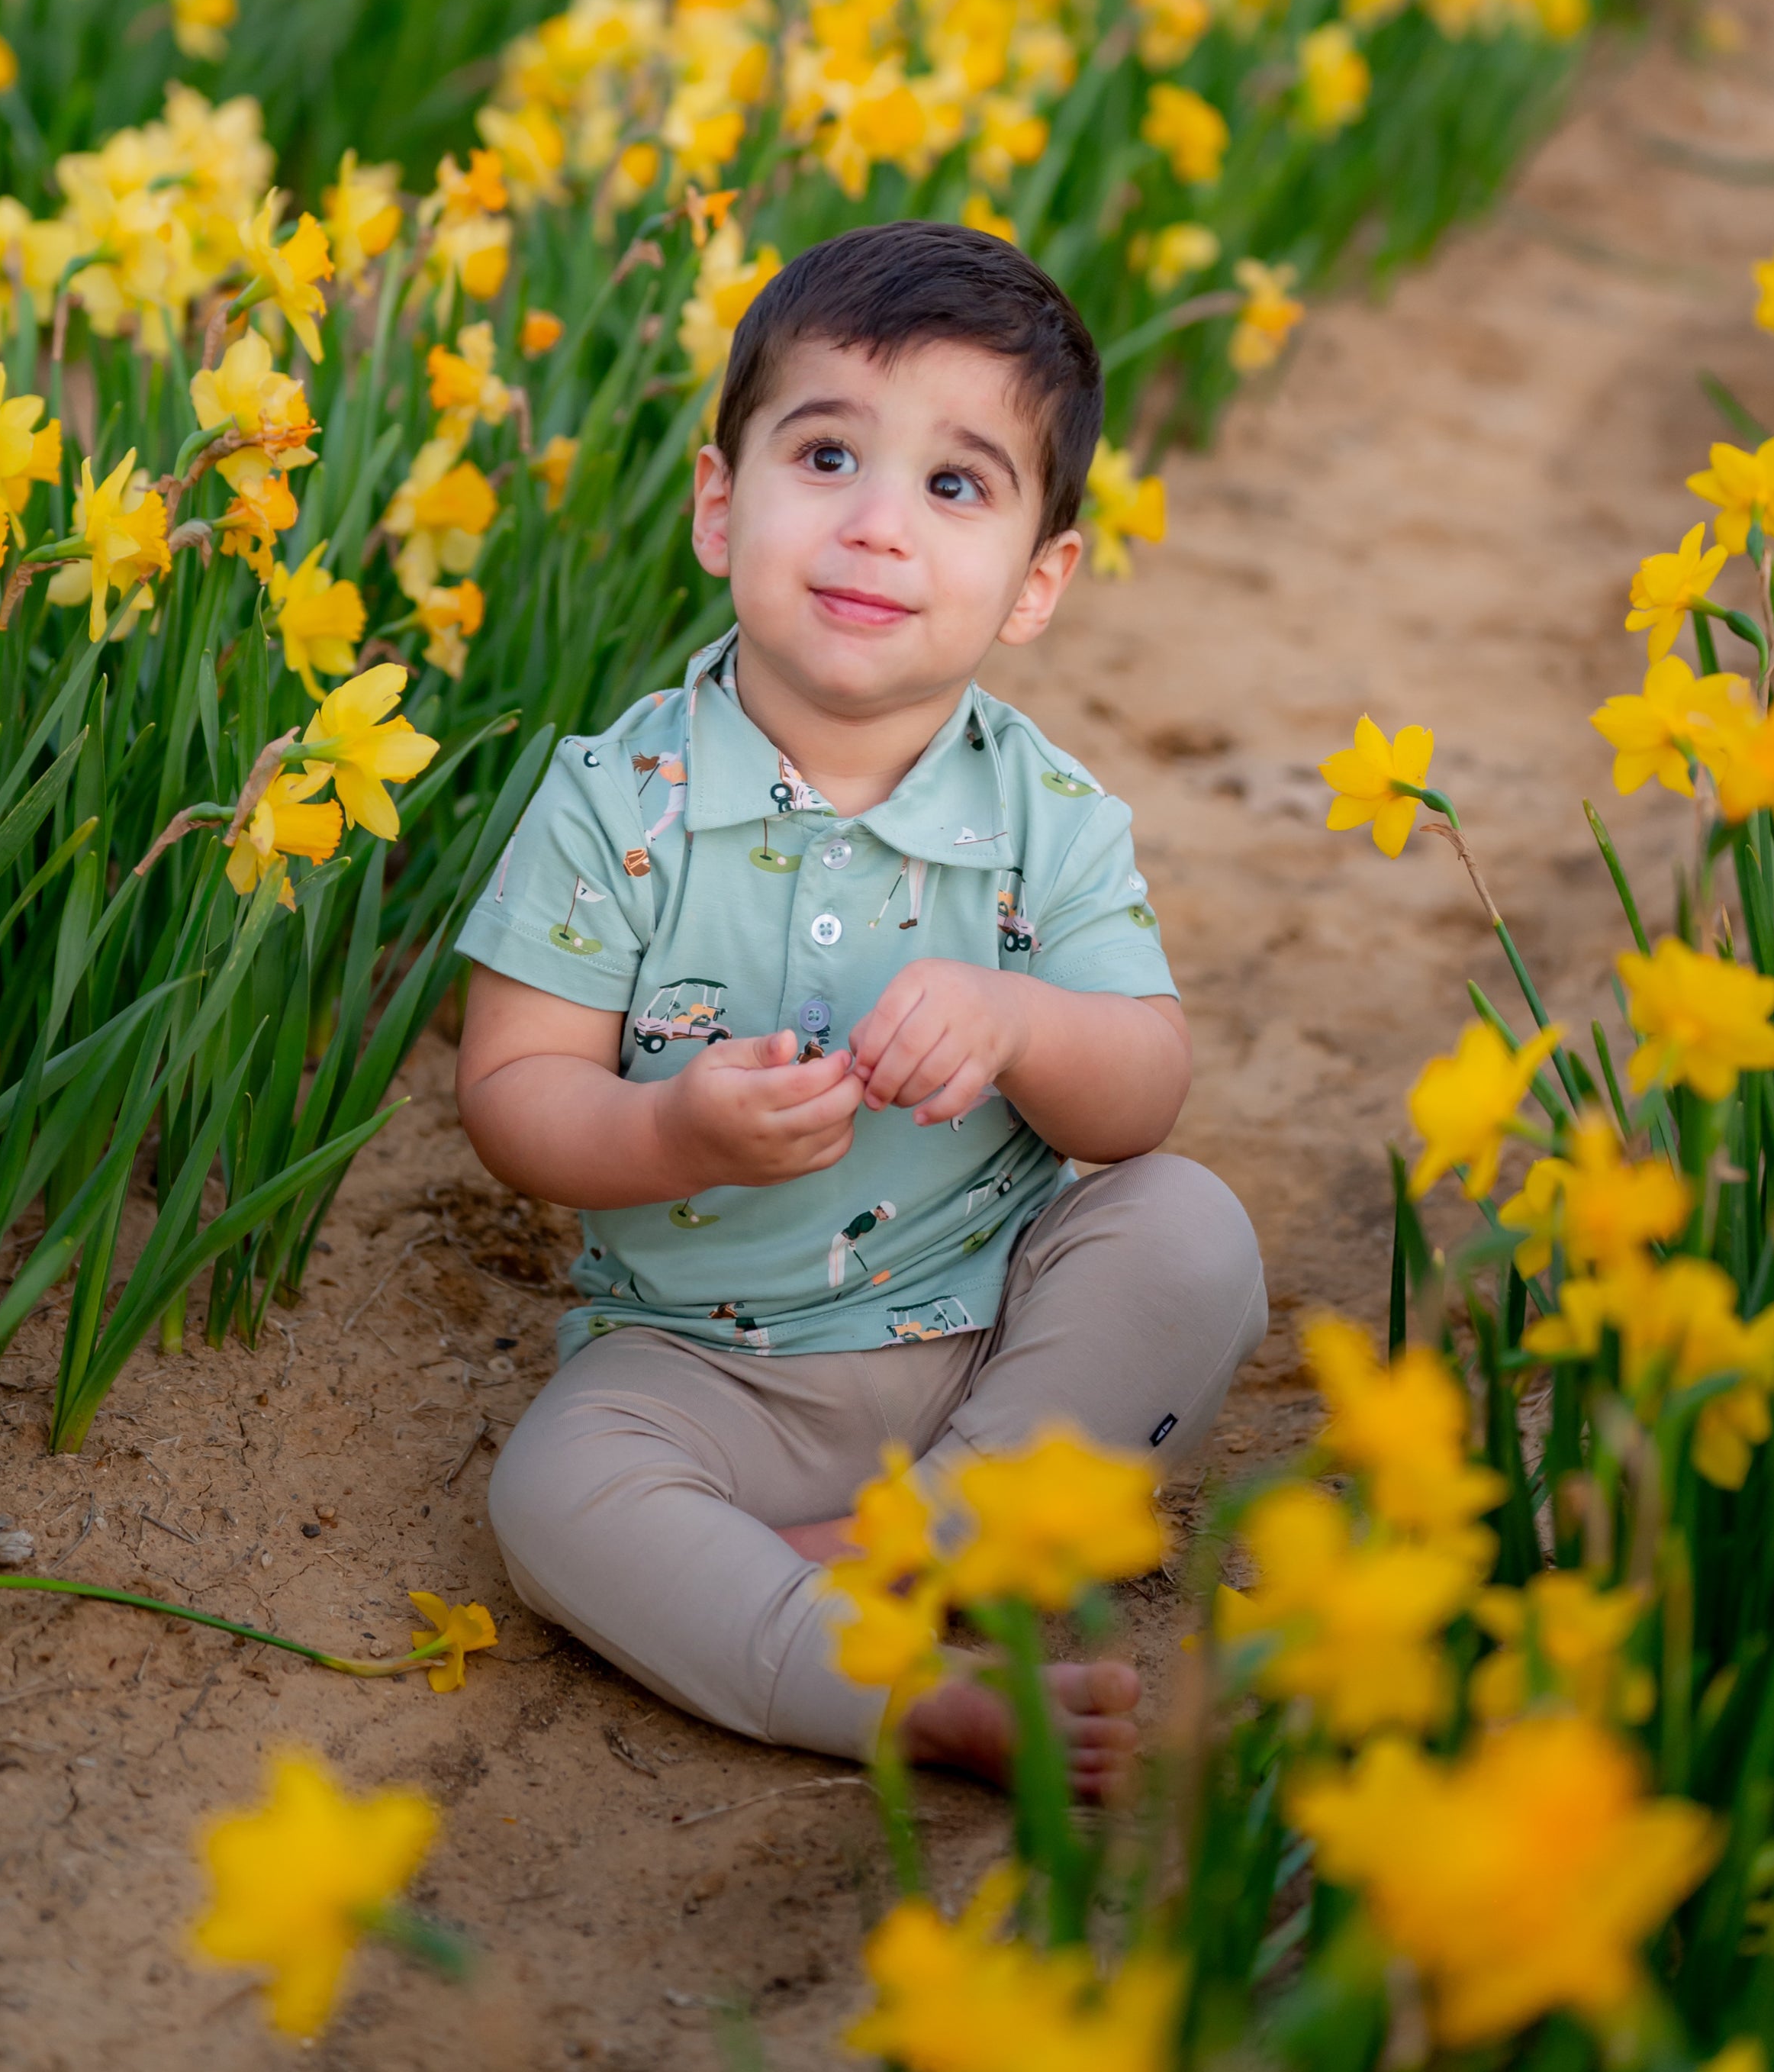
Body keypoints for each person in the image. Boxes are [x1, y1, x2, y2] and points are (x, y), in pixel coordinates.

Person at [453, 220, 1267, 1796]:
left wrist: (1023, 1025)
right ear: (718, 503)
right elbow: (511, 1099)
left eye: (955, 486)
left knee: (1186, 1230)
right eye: (826, 456)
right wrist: (670, 1128)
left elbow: (1143, 1091)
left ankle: (899, 1557)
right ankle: (906, 1694)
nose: (878, 526)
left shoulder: (1053, 817)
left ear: (1039, 585)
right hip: (705, 1368)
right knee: (553, 1488)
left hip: (1002, 1331)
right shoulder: (611, 802)